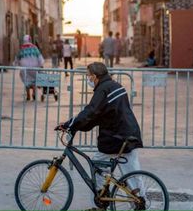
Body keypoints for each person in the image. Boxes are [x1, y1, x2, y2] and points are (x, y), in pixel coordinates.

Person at [56, 62, 143, 210]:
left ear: (95, 77)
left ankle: (101, 203)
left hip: (116, 137)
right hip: (128, 134)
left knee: (97, 163)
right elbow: (97, 116)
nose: (88, 79)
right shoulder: (114, 86)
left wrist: (69, 124)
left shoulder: (103, 90)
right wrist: (76, 124)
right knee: (132, 173)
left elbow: (90, 112)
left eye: (88, 76)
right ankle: (140, 201)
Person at [13, 35, 44, 101]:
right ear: (30, 40)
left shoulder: (21, 49)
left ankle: (28, 95)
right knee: (35, 80)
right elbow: (39, 57)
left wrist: (15, 64)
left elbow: (17, 59)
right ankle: (34, 93)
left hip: (25, 69)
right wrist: (41, 64)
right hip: (35, 68)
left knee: (26, 80)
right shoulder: (34, 48)